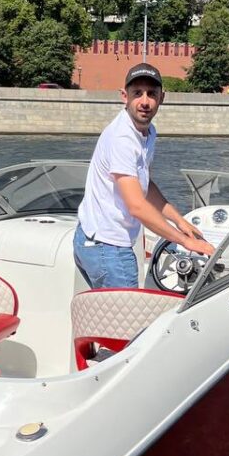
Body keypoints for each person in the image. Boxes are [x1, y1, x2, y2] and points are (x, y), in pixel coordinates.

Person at [73, 63, 216, 289]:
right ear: (124, 96)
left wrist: (179, 221)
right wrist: (186, 242)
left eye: (152, 94)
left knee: (109, 318)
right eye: (137, 93)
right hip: (108, 248)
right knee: (123, 322)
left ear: (162, 98)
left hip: (95, 240)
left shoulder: (147, 132)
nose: (145, 101)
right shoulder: (123, 138)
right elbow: (137, 206)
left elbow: (144, 185)